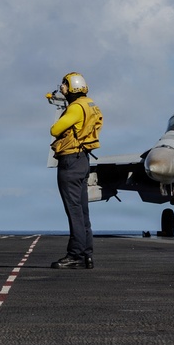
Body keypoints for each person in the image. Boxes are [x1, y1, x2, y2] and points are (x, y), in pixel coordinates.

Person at [49, 72, 103, 269]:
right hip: (83, 160)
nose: (62, 87)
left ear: (72, 87)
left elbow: (54, 130)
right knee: (82, 211)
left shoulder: (75, 108)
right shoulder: (90, 104)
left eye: (64, 84)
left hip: (70, 161)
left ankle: (75, 255)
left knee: (74, 211)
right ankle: (87, 255)